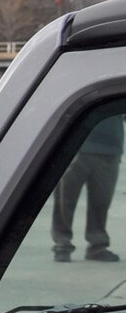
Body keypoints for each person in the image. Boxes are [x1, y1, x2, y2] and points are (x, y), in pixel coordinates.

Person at [51, 111, 122, 262]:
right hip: (77, 147)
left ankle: (97, 246)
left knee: (101, 201)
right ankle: (62, 245)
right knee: (65, 200)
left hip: (110, 150)